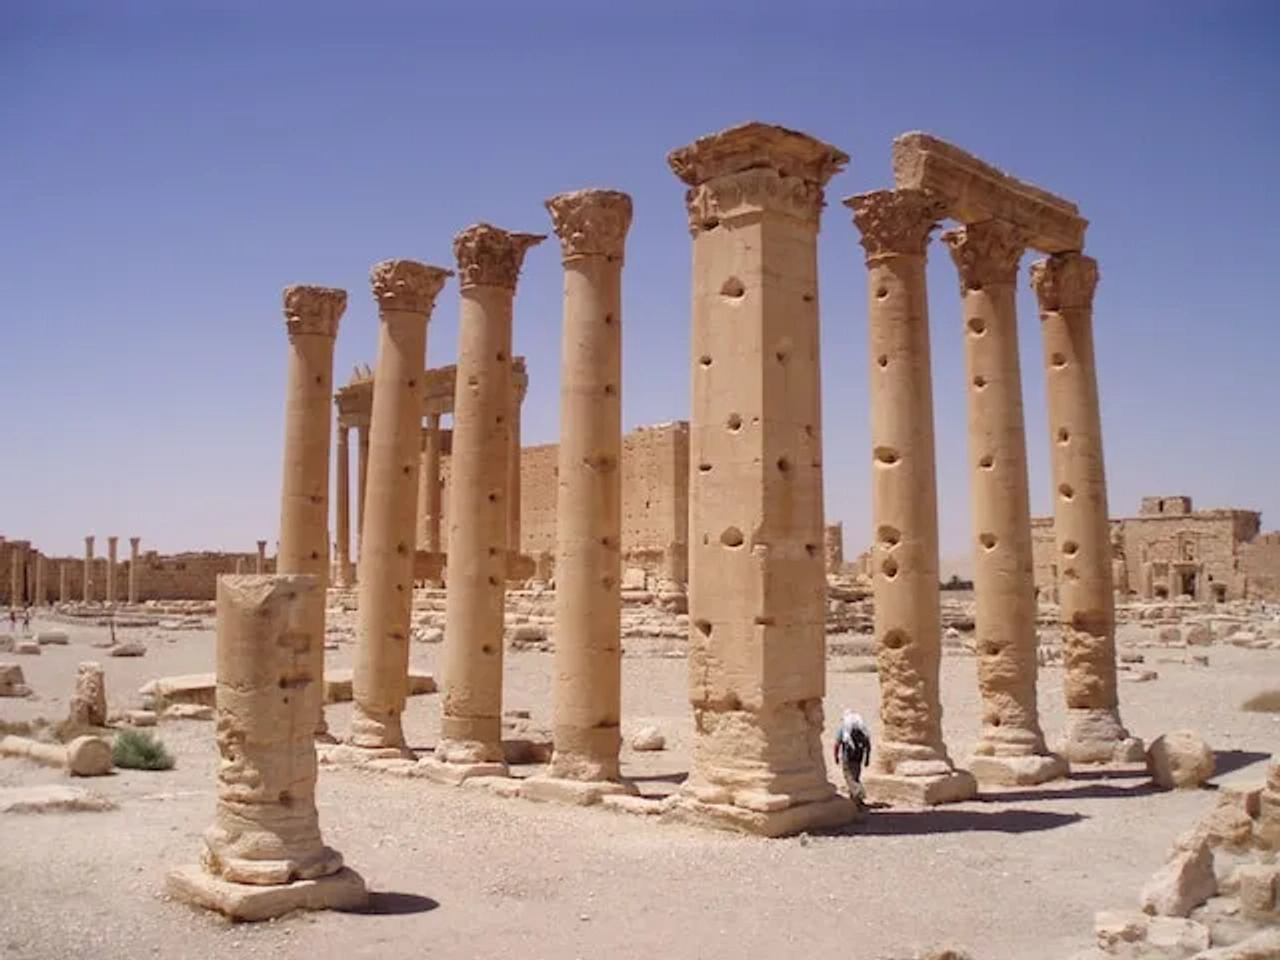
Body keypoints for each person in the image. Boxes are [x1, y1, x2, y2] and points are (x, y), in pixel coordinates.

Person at [833, 709, 872, 802]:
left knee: (849, 776)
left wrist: (836, 756)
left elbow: (837, 744)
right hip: (859, 755)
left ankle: (859, 793)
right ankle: (856, 800)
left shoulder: (843, 727)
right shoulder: (862, 727)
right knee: (856, 775)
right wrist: (867, 758)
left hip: (848, 755)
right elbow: (868, 744)